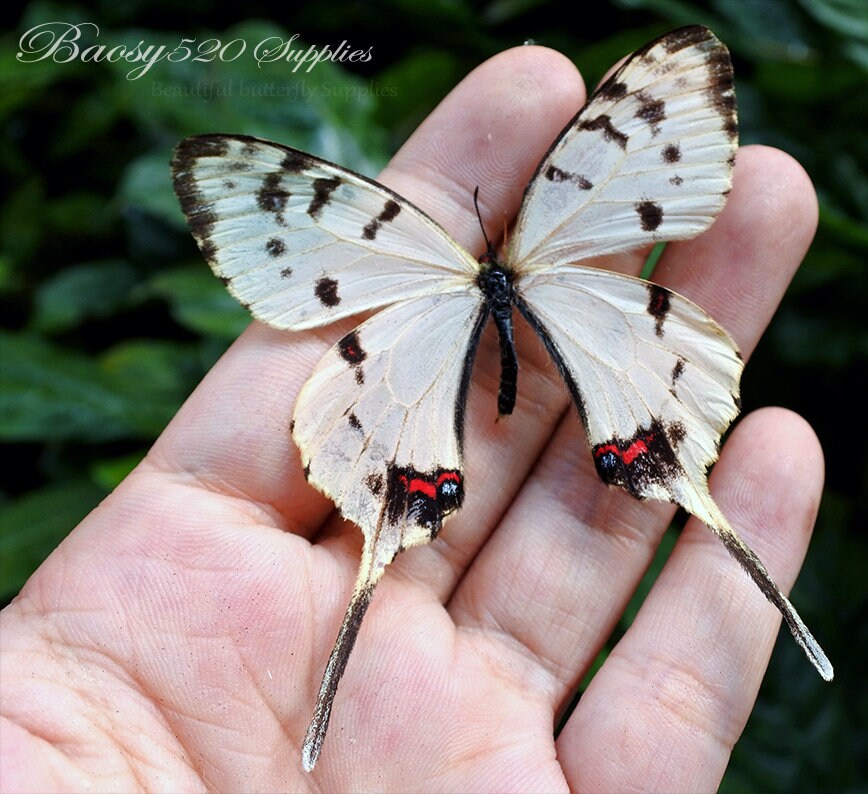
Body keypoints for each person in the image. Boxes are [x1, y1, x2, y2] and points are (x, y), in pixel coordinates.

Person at [0, 41, 824, 791]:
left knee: (685, 486)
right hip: (551, 316)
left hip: (448, 330)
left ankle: (667, 487)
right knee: (382, 545)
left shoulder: (430, 254)